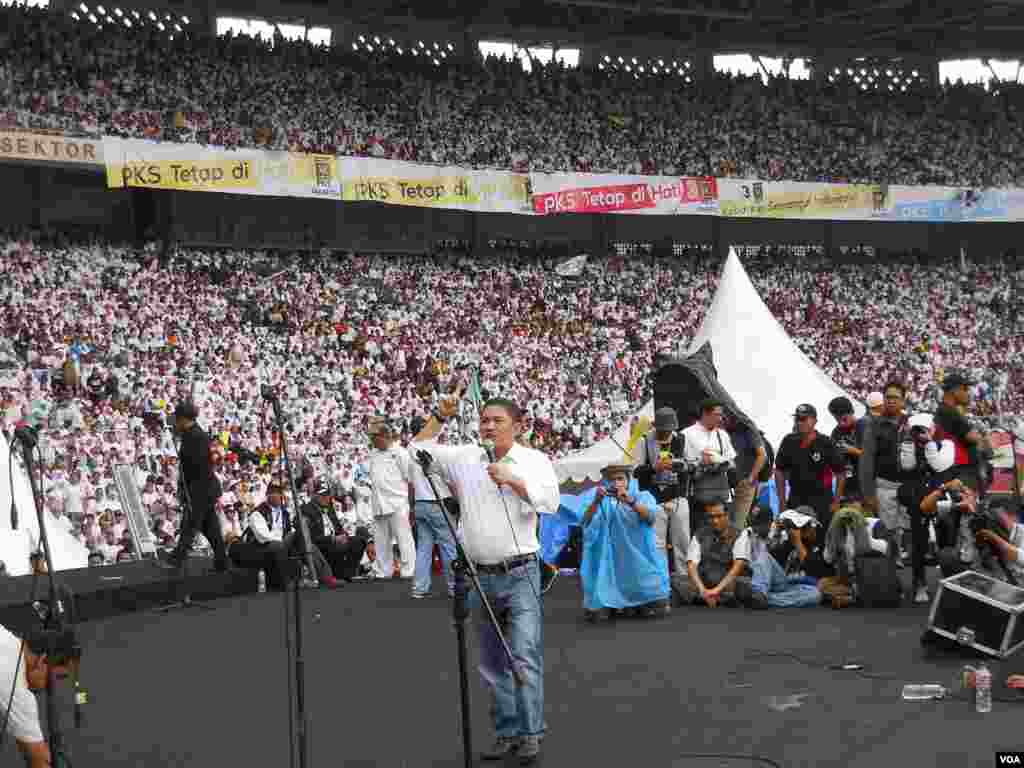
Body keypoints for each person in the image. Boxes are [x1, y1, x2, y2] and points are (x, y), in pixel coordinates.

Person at [414, 395, 559, 765]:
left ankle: (530, 733)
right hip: (479, 576)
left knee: (523, 654)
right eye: (484, 420)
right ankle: (507, 732)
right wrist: (440, 416)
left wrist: (514, 481)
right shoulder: (465, 457)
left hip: (522, 572)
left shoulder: (534, 461)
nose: (488, 426)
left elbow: (550, 503)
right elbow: (417, 451)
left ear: (517, 426)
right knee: (492, 662)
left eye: (497, 420)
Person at [579, 459, 669, 622]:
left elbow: (650, 518)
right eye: (612, 479)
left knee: (651, 606)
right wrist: (596, 502)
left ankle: (636, 602)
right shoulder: (597, 497)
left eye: (620, 478)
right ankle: (612, 602)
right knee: (599, 615)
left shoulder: (642, 496)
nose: (616, 483)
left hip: (637, 556)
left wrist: (631, 502)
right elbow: (585, 521)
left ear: (628, 479)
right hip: (609, 557)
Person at [0, 624, 78, 768]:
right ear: (43, 660)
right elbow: (39, 760)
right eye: (57, 677)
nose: (49, 687)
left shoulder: (4, 635)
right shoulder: (18, 690)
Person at [163, 401, 228, 571]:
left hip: (201, 490)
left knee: (189, 525)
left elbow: (200, 469)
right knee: (210, 527)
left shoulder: (196, 437)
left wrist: (192, 495)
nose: (175, 423)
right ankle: (222, 561)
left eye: (177, 419)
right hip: (202, 489)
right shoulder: (191, 434)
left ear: (183, 419)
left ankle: (176, 560)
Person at [634, 406, 690, 594]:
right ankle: (661, 584)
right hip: (654, 500)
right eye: (663, 430)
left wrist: (679, 465)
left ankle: (684, 583)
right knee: (656, 545)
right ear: (656, 427)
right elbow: (635, 471)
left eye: (669, 430)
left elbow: (691, 465)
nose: (667, 433)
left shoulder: (682, 439)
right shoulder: (644, 441)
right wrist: (653, 468)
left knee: (682, 542)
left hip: (678, 497)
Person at [406, 417, 458, 599]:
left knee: (423, 548)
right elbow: (450, 480)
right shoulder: (437, 450)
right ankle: (454, 587)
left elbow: (410, 485)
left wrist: (412, 508)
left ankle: (419, 588)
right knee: (448, 547)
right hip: (439, 502)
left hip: (420, 503)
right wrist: (458, 500)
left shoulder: (410, 453)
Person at [738, 506, 829, 609]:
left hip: (800, 587)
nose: (801, 530)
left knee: (815, 594)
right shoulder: (787, 540)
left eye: (805, 526)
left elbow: (814, 570)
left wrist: (798, 543)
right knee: (762, 553)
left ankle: (760, 598)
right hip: (780, 581)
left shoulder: (821, 543)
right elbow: (767, 562)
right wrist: (777, 532)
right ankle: (759, 591)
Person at [775, 404, 846, 533]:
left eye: (803, 419)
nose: (799, 422)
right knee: (794, 537)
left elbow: (840, 473)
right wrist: (781, 501)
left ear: (814, 421)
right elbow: (779, 471)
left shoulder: (826, 442)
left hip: (821, 500)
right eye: (797, 419)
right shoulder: (788, 441)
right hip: (796, 499)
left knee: (820, 538)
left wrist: (836, 501)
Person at [676, 499, 752, 607]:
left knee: (743, 585)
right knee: (675, 579)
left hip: (727, 583)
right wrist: (702, 589)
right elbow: (691, 565)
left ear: (727, 516)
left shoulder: (740, 534)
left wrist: (716, 590)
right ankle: (709, 597)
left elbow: (738, 566)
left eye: (719, 516)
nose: (715, 521)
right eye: (711, 517)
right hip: (704, 581)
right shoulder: (699, 534)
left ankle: (714, 597)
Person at [366, 417, 416, 580]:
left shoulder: (400, 453)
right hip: (378, 502)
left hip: (397, 502)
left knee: (403, 538)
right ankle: (383, 571)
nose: (372, 440)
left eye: (374, 437)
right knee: (381, 540)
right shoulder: (373, 453)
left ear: (384, 436)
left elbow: (410, 480)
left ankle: (409, 570)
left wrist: (412, 505)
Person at [682, 399, 737, 528]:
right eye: (717, 415)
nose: (720, 419)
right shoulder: (686, 434)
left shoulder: (722, 435)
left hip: (721, 498)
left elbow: (732, 463)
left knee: (720, 534)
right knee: (699, 534)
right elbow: (681, 466)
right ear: (705, 414)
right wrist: (701, 462)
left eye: (721, 415)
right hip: (697, 496)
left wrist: (719, 461)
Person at [301, 479, 367, 582]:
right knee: (335, 545)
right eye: (322, 495)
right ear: (315, 495)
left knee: (359, 541)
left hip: (335, 540)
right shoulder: (307, 509)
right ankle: (337, 574)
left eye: (327, 495)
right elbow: (311, 538)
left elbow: (337, 526)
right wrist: (332, 539)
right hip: (321, 545)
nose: (326, 498)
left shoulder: (330, 507)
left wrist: (343, 535)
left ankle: (350, 573)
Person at [828, 396, 864, 502]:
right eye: (837, 419)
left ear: (852, 412)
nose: (841, 423)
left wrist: (853, 451)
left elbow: (876, 457)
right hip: (847, 486)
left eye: (844, 419)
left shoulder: (865, 427)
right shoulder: (836, 432)